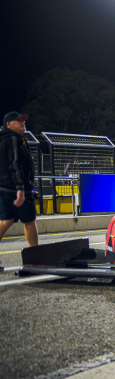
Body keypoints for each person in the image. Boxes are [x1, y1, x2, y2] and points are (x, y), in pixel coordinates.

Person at [0, 111, 38, 267]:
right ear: (8, 124)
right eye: (18, 121)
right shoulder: (14, 140)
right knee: (29, 221)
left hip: (4, 189)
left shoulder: (2, 140)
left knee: (6, 221)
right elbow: (16, 164)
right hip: (17, 189)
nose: (22, 123)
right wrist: (21, 188)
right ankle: (36, 258)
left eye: (23, 121)